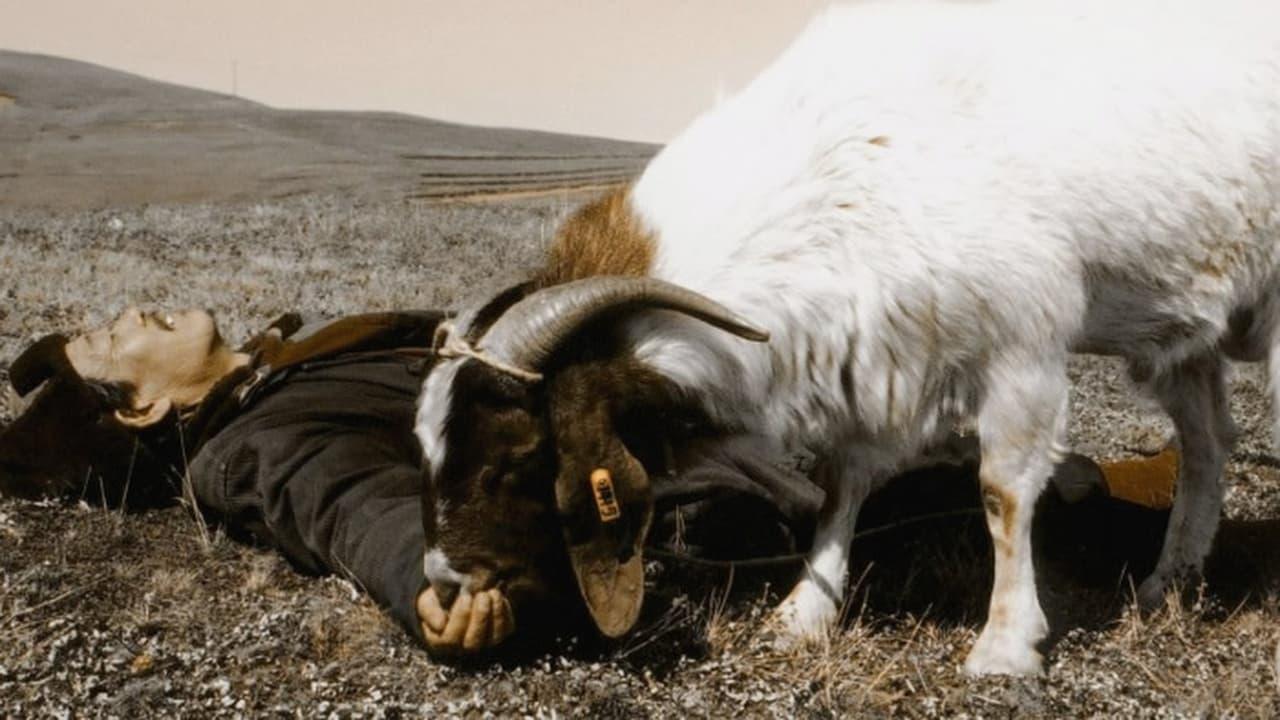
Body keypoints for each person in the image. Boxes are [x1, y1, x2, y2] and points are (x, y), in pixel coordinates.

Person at [0, 306, 1179, 657]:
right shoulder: (250, 440)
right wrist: (435, 582)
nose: (125, 313)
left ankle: (1109, 489)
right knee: (948, 505)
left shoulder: (297, 354)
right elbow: (341, 501)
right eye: (110, 344)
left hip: (683, 416)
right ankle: (1143, 517)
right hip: (670, 503)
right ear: (146, 407)